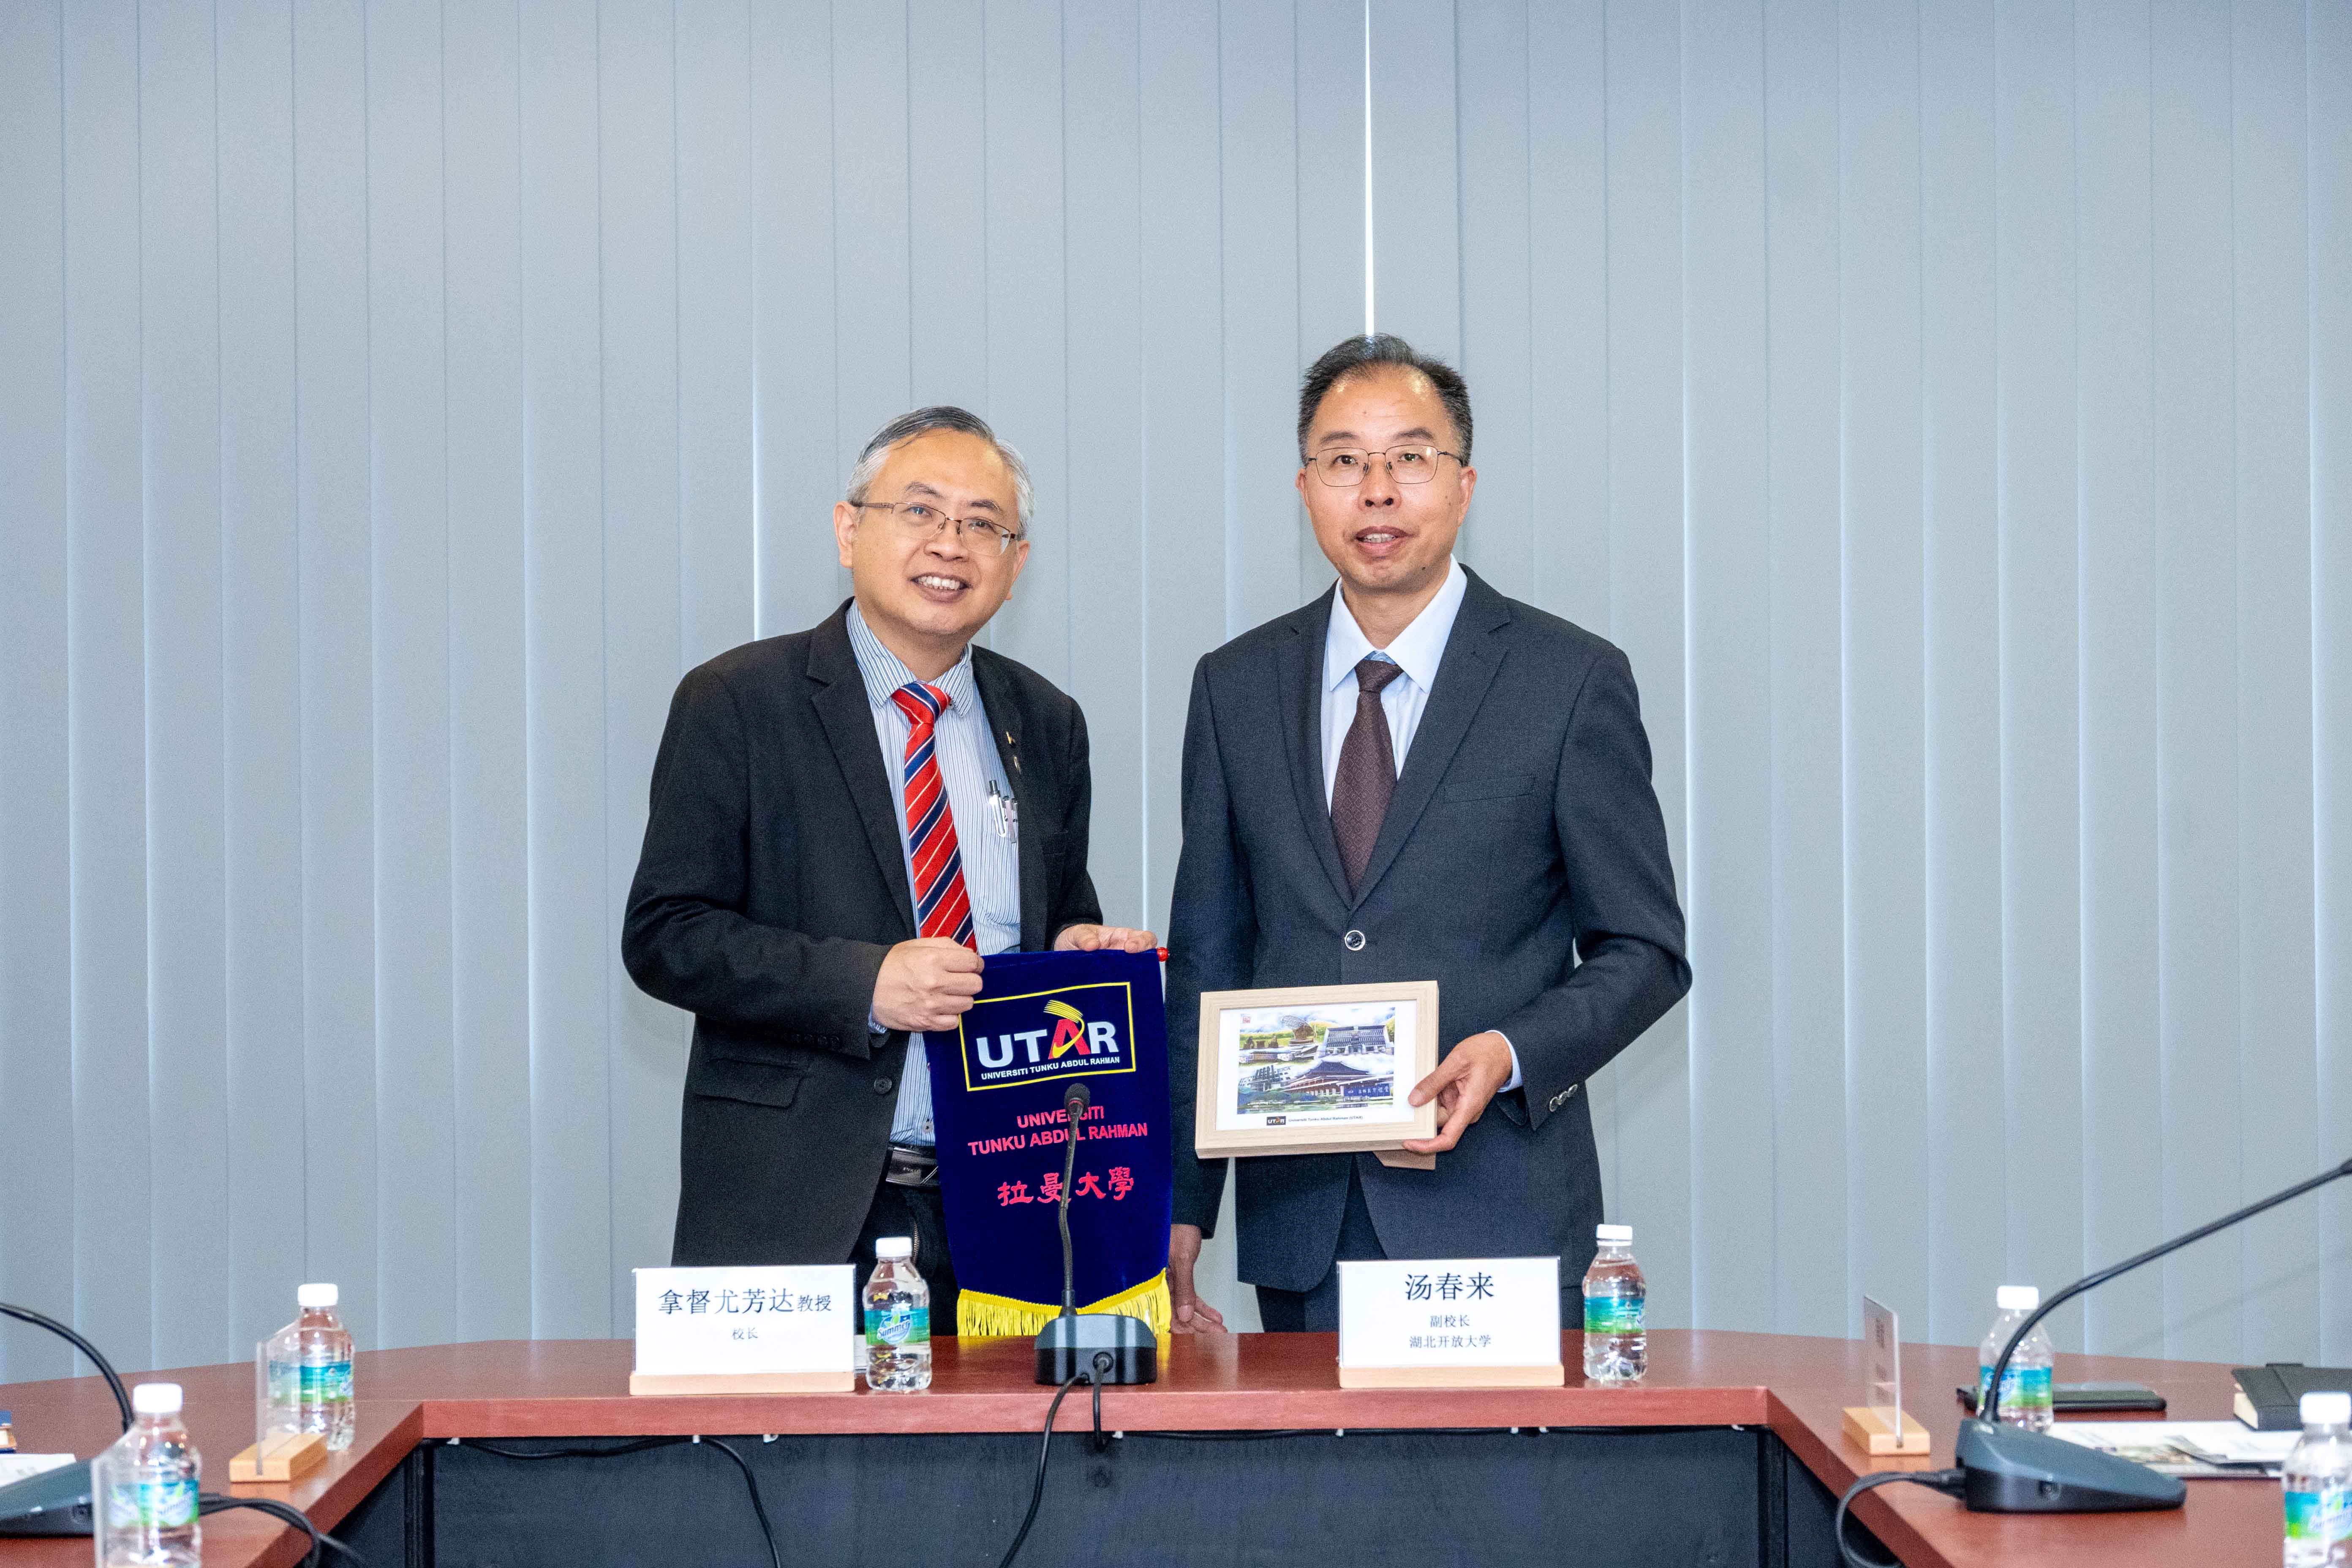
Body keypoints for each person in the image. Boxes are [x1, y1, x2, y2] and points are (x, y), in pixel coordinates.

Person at [1164, 335, 1690, 1333]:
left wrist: (1509, 1048)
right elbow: (1210, 958)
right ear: (1306, 486)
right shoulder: (1234, 687)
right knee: (1314, 1493)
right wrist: (1184, 1206)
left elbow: (1646, 950)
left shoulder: (1568, 679)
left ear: (1463, 484)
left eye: (1410, 456)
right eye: (1344, 460)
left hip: (1500, 1213)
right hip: (1303, 1219)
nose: (1377, 489)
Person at [623, 406, 1156, 1328]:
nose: (951, 543)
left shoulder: (1045, 720)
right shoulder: (739, 702)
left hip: (1006, 1198)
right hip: (796, 1205)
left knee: (1005, 1468)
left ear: (1015, 562)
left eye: (983, 523)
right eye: (919, 510)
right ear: (848, 529)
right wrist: (867, 981)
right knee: (777, 1474)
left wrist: (1081, 948)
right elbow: (667, 934)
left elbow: (1057, 913)